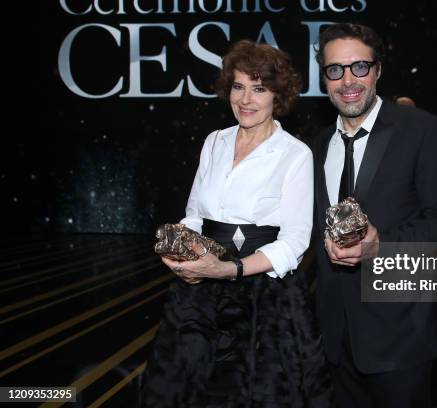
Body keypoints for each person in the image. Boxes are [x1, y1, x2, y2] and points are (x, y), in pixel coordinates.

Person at [141, 40, 331, 407]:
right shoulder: (214, 141)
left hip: (263, 298)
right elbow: (195, 215)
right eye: (239, 86)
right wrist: (183, 257)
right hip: (200, 292)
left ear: (279, 95)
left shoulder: (295, 153)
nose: (246, 99)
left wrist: (228, 269)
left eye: (259, 88)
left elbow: (295, 241)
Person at [312, 23, 437, 408]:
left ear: (378, 70)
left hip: (400, 337)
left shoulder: (422, 130)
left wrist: (382, 245)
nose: (348, 80)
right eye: (335, 70)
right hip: (335, 339)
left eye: (359, 67)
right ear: (323, 77)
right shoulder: (316, 145)